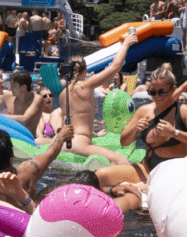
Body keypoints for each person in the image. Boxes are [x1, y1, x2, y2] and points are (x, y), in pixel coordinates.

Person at [96, 66, 187, 188]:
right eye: (153, 92)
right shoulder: (143, 110)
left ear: (172, 90)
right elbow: (124, 142)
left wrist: (174, 133)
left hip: (173, 171)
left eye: (162, 92)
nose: (157, 96)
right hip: (146, 169)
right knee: (100, 176)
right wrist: (135, 129)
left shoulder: (184, 111)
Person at [58, 34, 138, 166]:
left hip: (64, 143)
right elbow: (115, 67)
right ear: (86, 71)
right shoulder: (86, 85)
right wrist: (125, 44)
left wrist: (95, 134)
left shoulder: (63, 93)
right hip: (81, 144)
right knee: (123, 162)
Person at [0, 126, 75, 206]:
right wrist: (61, 137)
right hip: (28, 218)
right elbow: (51, 153)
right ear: (12, 153)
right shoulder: (29, 170)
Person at [0, 70, 44, 136]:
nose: (10, 88)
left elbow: (24, 119)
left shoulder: (37, 99)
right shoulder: (7, 96)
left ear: (24, 87)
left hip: (26, 139)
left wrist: (0, 116)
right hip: (7, 137)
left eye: (13, 86)